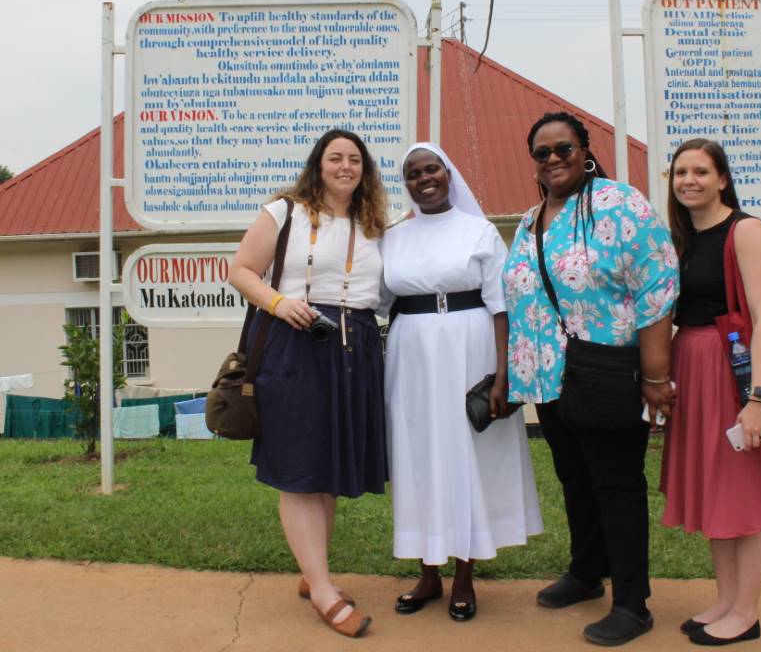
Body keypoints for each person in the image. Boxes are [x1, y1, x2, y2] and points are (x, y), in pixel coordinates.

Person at [502, 112, 679, 647]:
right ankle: (586, 572)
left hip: (603, 372)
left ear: (585, 151)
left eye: (563, 149)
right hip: (549, 380)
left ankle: (632, 602)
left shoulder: (618, 204)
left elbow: (657, 286)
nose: (553, 160)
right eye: (542, 153)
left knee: (616, 484)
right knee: (574, 478)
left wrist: (655, 376)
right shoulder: (531, 220)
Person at [228, 129, 387, 639]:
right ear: (318, 164)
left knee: (327, 463)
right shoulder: (284, 211)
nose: (345, 166)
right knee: (299, 466)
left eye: (354, 160)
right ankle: (322, 590)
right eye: (335, 158)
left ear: (364, 169)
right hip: (293, 344)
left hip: (355, 346)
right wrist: (279, 303)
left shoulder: (377, 222)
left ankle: (312, 570)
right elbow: (241, 271)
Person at [381, 142, 543, 622]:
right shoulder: (392, 237)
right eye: (413, 173)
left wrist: (501, 376)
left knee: (466, 456)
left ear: (449, 175)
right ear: (406, 183)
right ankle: (428, 573)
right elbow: (374, 299)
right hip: (411, 356)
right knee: (419, 455)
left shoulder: (480, 231)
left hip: (470, 350)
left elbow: (500, 306)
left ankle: (465, 575)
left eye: (433, 169)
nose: (424, 179)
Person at [659, 137, 761, 646]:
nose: (689, 180)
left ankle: (747, 613)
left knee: (745, 493)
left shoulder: (747, 230)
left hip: (733, 374)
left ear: (723, 179)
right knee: (716, 490)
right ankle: (727, 599)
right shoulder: (684, 237)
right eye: (680, 172)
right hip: (692, 366)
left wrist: (758, 399)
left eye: (700, 171)